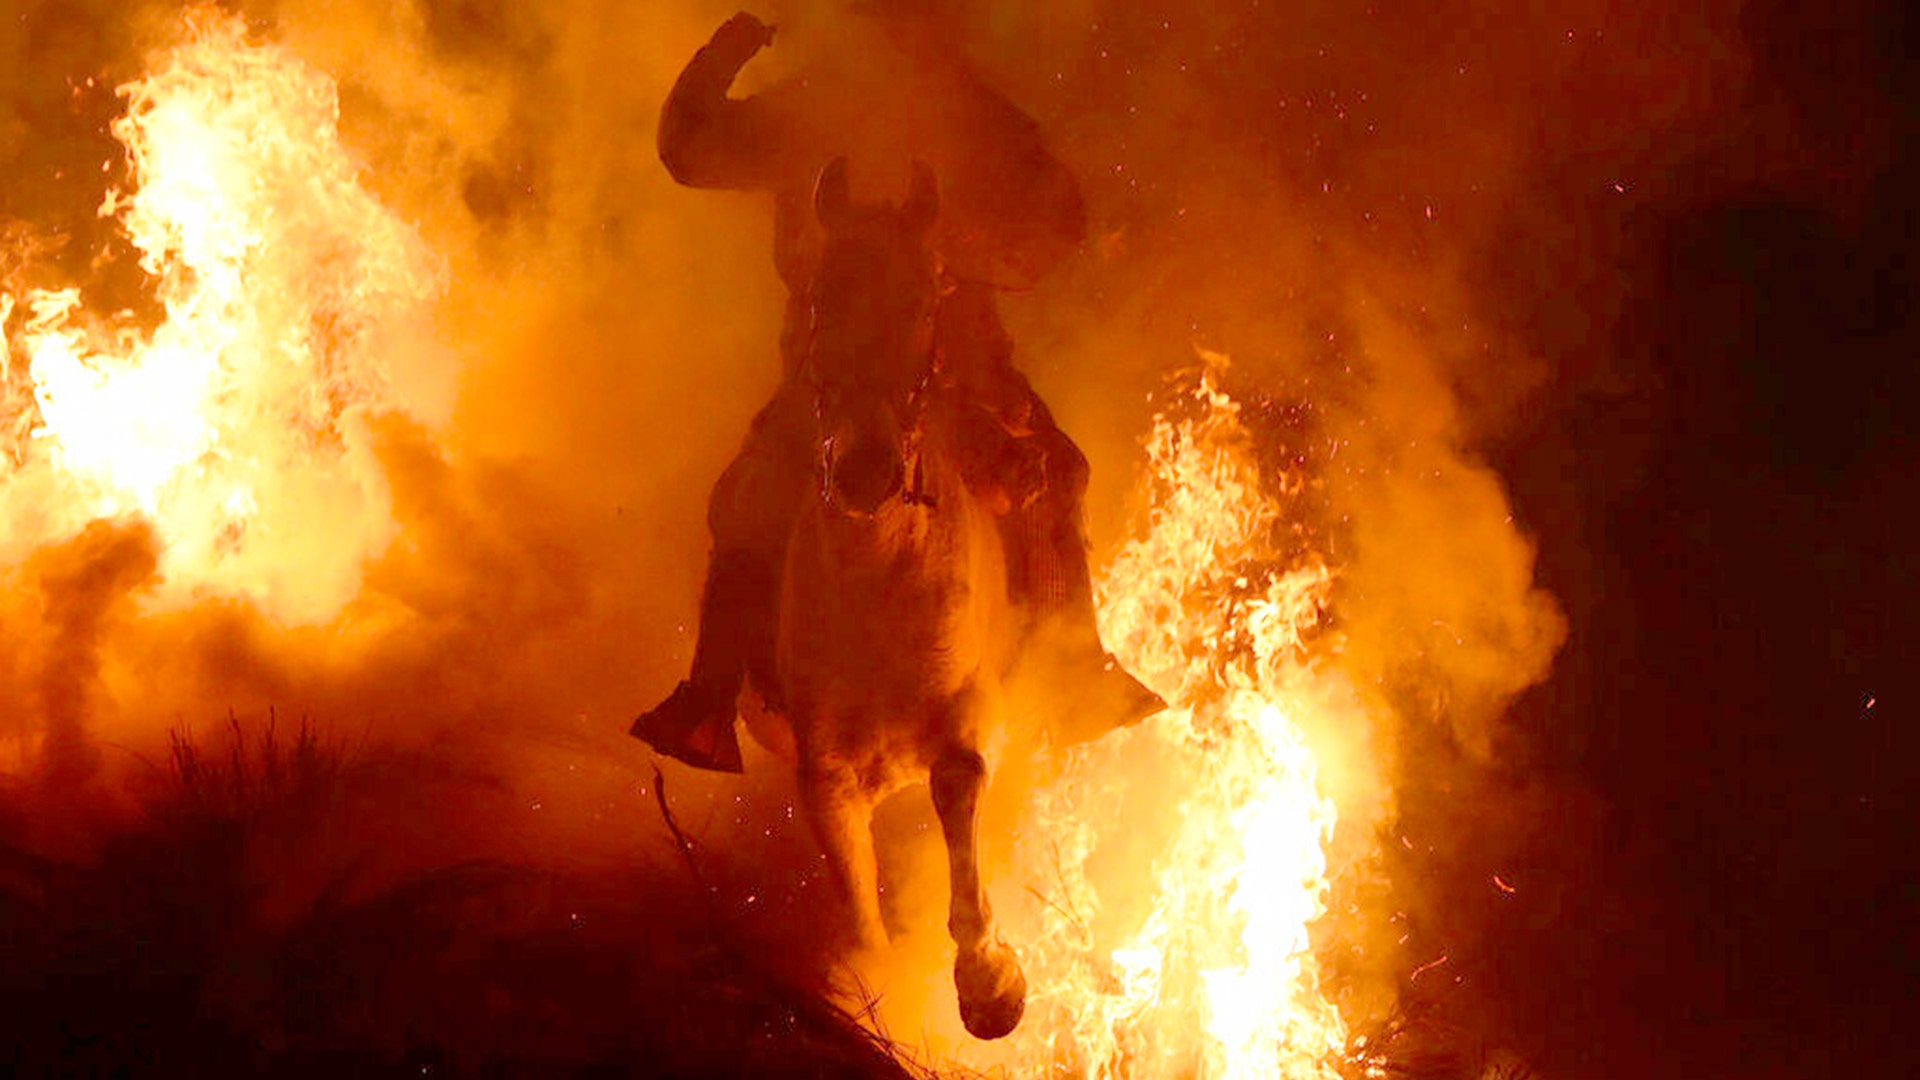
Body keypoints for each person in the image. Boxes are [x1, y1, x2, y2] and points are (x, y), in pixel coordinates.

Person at [634, 8, 1160, 772]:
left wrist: (962, 242)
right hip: (831, 376)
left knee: (1056, 473)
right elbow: (688, 150)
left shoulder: (976, 120)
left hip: (957, 368)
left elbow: (1057, 228)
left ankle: (1073, 674)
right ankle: (711, 698)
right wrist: (730, 48)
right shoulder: (812, 110)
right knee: (751, 500)